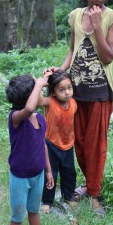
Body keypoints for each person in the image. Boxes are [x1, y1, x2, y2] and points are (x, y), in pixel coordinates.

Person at [48, 0, 113, 216]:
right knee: (78, 142)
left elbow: (108, 56)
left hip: (100, 93)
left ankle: (94, 193)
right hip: (75, 92)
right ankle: (88, 185)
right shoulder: (75, 16)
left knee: (96, 144)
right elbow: (73, 50)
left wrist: (97, 26)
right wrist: (59, 71)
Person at [5, 74, 54, 225]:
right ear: (29, 99)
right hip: (20, 177)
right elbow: (29, 109)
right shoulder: (15, 118)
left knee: (34, 210)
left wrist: (48, 170)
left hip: (38, 174)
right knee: (18, 216)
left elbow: (43, 145)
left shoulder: (40, 119)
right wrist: (39, 83)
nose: (41, 92)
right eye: (38, 90)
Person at [40, 70, 78, 214]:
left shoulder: (73, 103)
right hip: (51, 145)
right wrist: (44, 81)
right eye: (62, 90)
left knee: (69, 172)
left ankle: (68, 196)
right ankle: (47, 200)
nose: (67, 92)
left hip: (68, 144)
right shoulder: (50, 102)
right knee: (51, 174)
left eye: (69, 88)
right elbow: (37, 101)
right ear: (54, 92)